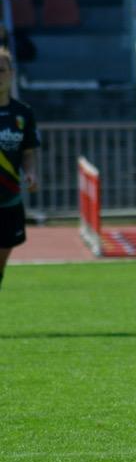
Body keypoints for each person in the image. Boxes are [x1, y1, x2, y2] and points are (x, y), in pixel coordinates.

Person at [0, 47, 40, 292]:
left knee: (2, 259)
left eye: (1, 70)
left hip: (9, 200)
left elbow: (28, 152)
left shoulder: (23, 113)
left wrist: (31, 172)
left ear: (11, 73)